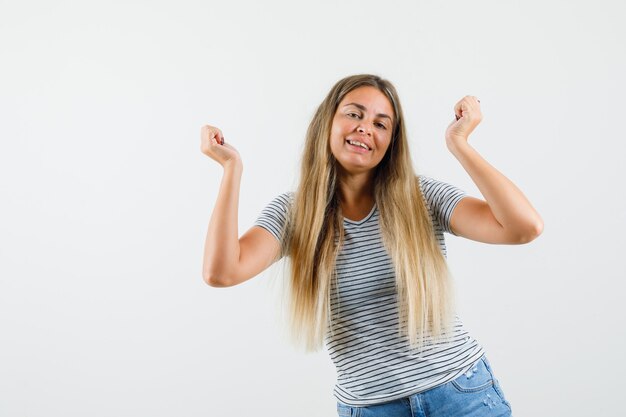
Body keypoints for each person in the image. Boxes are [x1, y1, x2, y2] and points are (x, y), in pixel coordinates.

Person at [200, 74, 543, 417]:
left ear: (391, 142)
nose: (366, 128)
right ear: (327, 122)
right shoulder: (295, 214)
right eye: (354, 114)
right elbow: (222, 272)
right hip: (371, 408)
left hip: (459, 395)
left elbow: (523, 227)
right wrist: (231, 167)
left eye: (381, 123)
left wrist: (459, 144)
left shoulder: (420, 197)